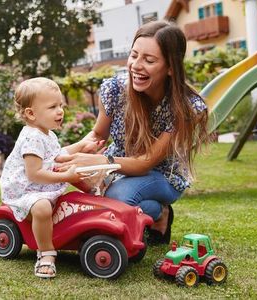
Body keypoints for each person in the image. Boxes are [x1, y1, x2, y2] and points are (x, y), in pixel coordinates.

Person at [56, 20, 210, 245]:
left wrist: (100, 161)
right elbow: (98, 134)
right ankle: (158, 213)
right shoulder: (115, 90)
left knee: (117, 197)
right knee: (80, 181)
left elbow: (145, 163)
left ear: (170, 67)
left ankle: (148, 216)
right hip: (119, 167)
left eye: (149, 60)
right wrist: (70, 152)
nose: (136, 65)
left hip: (163, 176)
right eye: (134, 55)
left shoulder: (186, 109)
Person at [0, 77, 100, 278]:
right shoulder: (32, 137)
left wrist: (81, 148)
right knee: (43, 207)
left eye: (60, 105)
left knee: (71, 167)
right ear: (31, 113)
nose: (60, 111)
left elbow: (57, 155)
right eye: (53, 106)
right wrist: (65, 173)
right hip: (26, 191)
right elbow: (34, 173)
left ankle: (95, 194)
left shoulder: (46, 133)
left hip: (41, 186)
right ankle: (45, 253)